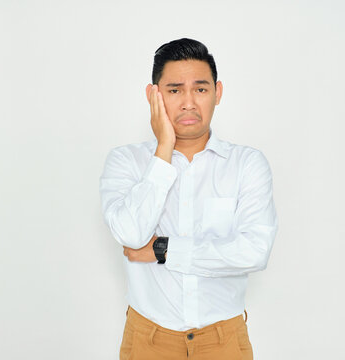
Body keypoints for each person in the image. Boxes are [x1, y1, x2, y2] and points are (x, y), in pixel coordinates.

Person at [100, 38, 278, 359]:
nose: (188, 103)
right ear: (153, 95)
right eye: (174, 90)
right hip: (148, 341)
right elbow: (129, 234)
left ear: (217, 92)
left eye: (200, 89)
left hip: (224, 341)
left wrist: (162, 250)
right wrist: (164, 147)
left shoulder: (247, 164)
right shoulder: (125, 162)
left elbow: (254, 252)